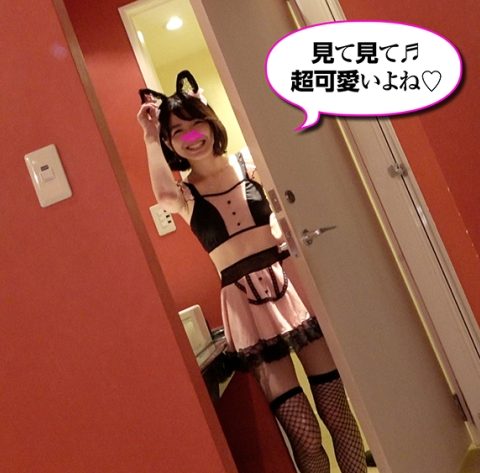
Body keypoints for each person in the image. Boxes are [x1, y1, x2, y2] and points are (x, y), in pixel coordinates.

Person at [137, 70, 367, 473]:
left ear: (211, 123)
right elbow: (162, 195)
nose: (192, 136)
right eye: (178, 132)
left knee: (338, 413)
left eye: (197, 123)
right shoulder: (185, 194)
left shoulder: (248, 162)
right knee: (304, 433)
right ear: (170, 142)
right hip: (246, 308)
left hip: (290, 290)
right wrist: (149, 136)